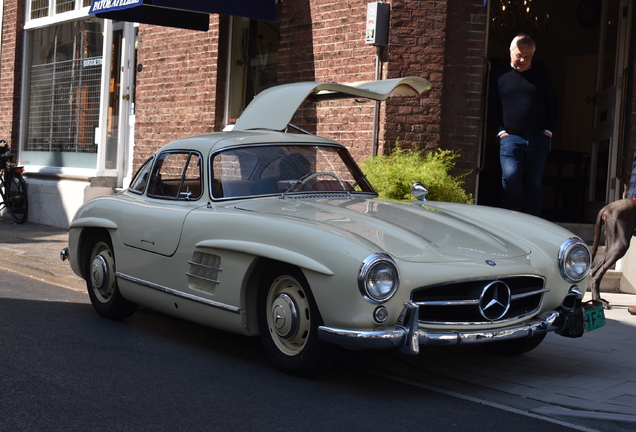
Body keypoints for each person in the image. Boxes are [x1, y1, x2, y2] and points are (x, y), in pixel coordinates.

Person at [488, 34, 559, 216]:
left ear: (532, 57)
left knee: (535, 182)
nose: (522, 60)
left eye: (527, 57)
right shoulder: (499, 74)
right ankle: (516, 209)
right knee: (511, 177)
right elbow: (492, 104)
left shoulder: (541, 74)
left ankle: (534, 219)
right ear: (511, 52)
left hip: (538, 137)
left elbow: (552, 102)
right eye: (519, 55)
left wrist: (548, 130)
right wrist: (500, 131)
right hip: (510, 137)